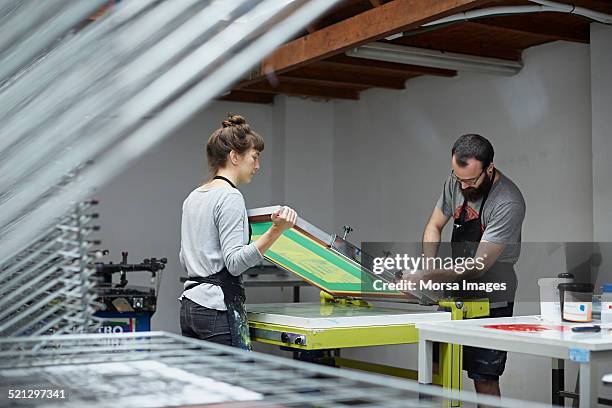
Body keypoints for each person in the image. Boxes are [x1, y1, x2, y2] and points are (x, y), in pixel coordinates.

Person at [419, 134, 525, 397]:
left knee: (484, 377)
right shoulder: (455, 180)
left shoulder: (507, 201)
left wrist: (430, 275)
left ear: (489, 168)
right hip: (454, 285)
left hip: (492, 289)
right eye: (458, 178)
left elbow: (479, 265)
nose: (463, 186)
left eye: (470, 180)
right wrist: (429, 266)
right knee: (434, 368)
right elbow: (434, 226)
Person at [179, 114, 297, 350]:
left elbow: (185, 258)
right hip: (216, 308)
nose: (257, 165)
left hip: (190, 307)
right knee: (232, 384)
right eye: (254, 157)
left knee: (200, 386)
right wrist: (276, 230)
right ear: (234, 156)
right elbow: (234, 264)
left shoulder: (194, 197)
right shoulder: (230, 196)